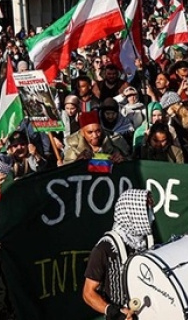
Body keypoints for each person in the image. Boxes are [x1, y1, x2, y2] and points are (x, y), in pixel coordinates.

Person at [83, 189, 154, 320]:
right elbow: (88, 293)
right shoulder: (104, 248)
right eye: (146, 212)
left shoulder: (148, 240)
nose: (152, 217)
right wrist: (114, 311)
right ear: (132, 215)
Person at [63, 111, 130, 165]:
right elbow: (66, 170)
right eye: (90, 132)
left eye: (98, 131)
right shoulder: (74, 146)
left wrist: (123, 161)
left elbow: (131, 163)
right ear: (82, 133)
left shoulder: (115, 140)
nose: (95, 135)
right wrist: (78, 161)